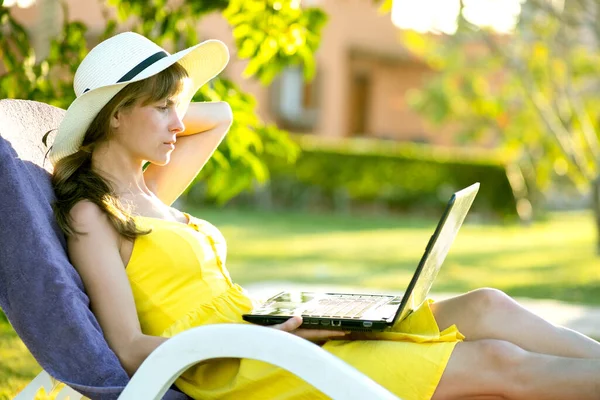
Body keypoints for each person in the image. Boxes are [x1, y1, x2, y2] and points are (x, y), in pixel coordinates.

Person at [48, 31, 600, 400]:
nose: (179, 121)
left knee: (485, 306)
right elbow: (129, 348)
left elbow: (220, 116)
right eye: (162, 107)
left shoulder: (149, 188)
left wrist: (162, 96)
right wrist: (267, 339)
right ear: (116, 116)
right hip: (239, 366)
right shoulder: (95, 216)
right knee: (496, 362)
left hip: (267, 335)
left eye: (178, 105)